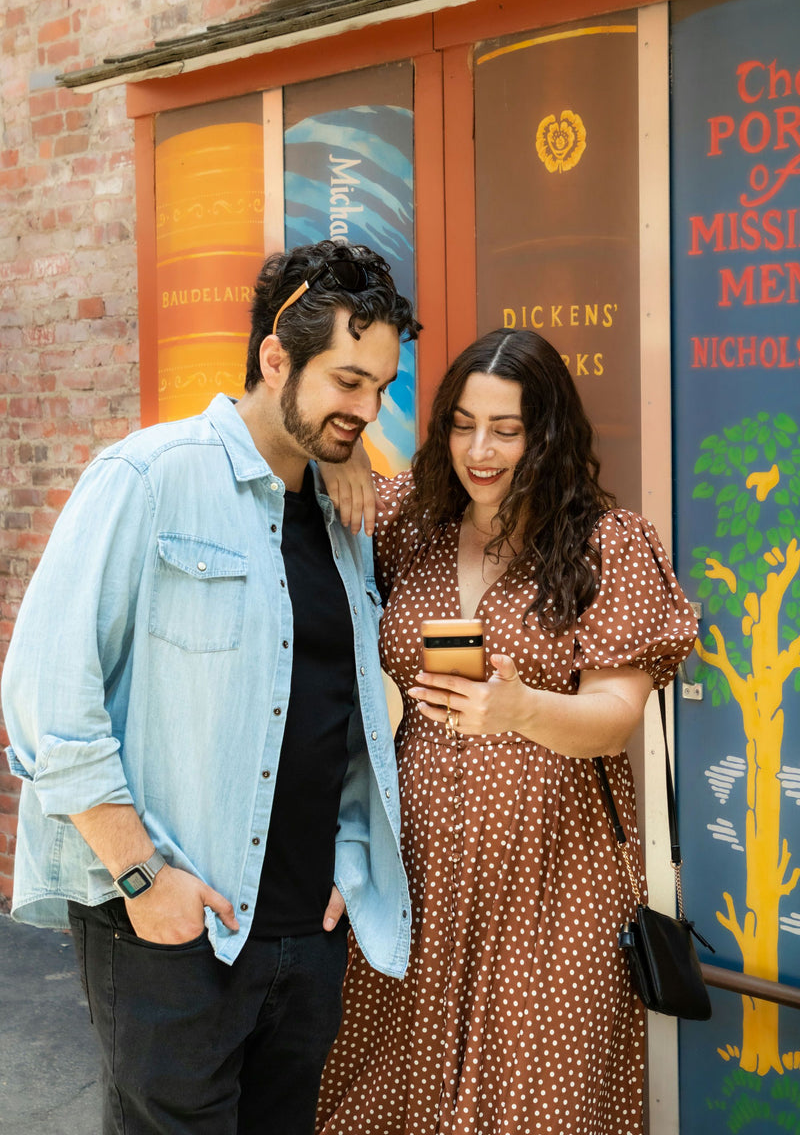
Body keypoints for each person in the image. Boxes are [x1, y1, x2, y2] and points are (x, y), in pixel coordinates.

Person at [1, 240, 420, 1135]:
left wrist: (347, 860)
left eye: (380, 387)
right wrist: (142, 875)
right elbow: (44, 699)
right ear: (277, 358)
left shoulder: (343, 516)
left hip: (307, 937)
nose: (367, 409)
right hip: (171, 934)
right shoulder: (148, 477)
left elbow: (343, 714)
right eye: (348, 382)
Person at [314, 327, 698, 1134]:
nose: (479, 450)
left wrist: (521, 709)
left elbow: (613, 720)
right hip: (416, 872)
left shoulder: (608, 543)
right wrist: (343, 457)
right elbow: (302, 467)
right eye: (461, 423)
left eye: (507, 429)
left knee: (537, 1107)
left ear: (548, 434)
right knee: (391, 1097)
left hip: (553, 881)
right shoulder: (408, 523)